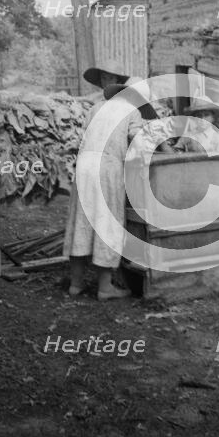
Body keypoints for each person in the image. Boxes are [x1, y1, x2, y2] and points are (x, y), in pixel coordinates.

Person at [63, 77, 151, 300]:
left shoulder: (95, 108)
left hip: (84, 168)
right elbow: (139, 143)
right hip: (108, 169)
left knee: (81, 221)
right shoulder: (132, 112)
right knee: (106, 223)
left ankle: (76, 283)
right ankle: (105, 288)